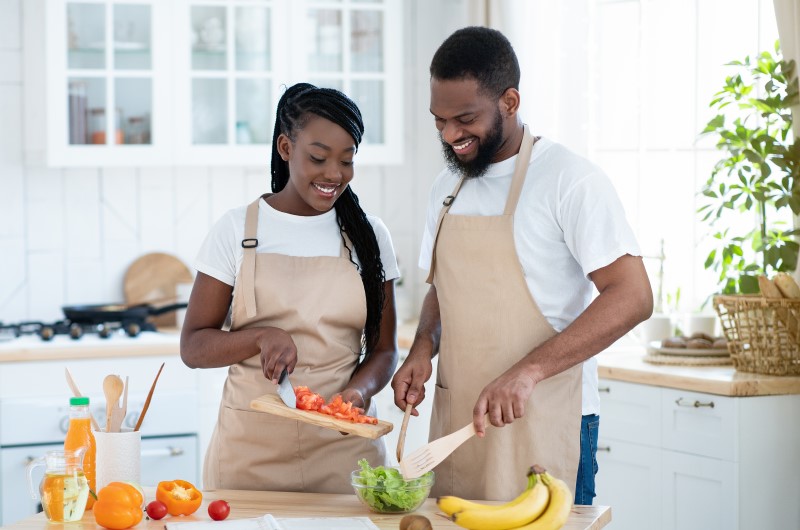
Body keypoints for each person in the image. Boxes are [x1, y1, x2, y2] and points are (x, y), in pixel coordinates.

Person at [391, 27, 653, 504]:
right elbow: (442, 288)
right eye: (439, 121)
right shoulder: (446, 187)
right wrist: (421, 348)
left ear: (510, 101)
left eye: (465, 119)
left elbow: (633, 296)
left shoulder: (569, 181)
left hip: (547, 416)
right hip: (458, 424)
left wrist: (528, 370)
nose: (450, 135)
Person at [181, 83, 400, 494]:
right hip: (250, 456)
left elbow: (385, 349)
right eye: (318, 157)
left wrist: (359, 391)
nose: (334, 174)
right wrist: (260, 337)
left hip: (344, 455)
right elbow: (193, 347)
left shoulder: (370, 238)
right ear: (285, 147)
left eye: (347, 160)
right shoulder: (237, 230)